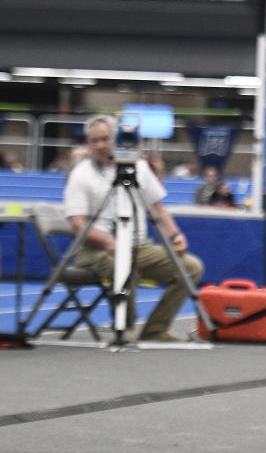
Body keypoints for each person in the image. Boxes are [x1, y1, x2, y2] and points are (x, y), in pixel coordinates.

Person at [64, 115, 204, 342]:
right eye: (94, 140)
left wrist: (175, 234)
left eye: (105, 139)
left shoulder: (138, 166)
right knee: (122, 264)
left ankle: (156, 329)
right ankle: (125, 326)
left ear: (117, 139)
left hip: (140, 246)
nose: (99, 145)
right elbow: (78, 224)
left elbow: (157, 207)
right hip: (96, 250)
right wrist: (111, 243)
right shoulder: (81, 174)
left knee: (191, 267)